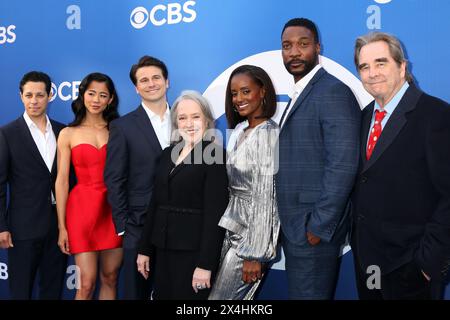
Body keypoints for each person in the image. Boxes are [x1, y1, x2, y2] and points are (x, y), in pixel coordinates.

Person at [351, 31, 450, 300]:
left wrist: (427, 263)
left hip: (412, 269)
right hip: (367, 264)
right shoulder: (363, 118)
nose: (372, 73)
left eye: (381, 63)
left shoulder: (436, 115)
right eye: (364, 66)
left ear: (402, 66)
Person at [276, 18, 361, 299]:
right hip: (296, 226)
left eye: (303, 44)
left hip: (311, 230)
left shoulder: (332, 91)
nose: (294, 53)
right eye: (287, 46)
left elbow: (343, 163)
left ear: (318, 48)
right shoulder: (302, 92)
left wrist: (318, 225)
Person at [136, 90, 229, 300]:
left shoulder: (214, 155)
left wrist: (205, 264)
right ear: (176, 123)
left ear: (206, 120)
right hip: (163, 249)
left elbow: (215, 215)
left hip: (193, 254)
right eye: (182, 118)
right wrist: (145, 249)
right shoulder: (168, 153)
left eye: (196, 117)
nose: (189, 124)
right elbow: (155, 204)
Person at [208, 65, 280, 300]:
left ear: (263, 91)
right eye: (234, 93)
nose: (238, 99)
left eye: (246, 91)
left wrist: (255, 254)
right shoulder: (240, 130)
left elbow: (265, 197)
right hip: (230, 226)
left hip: (250, 237)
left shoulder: (269, 134)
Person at [0, 71, 67, 299]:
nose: (34, 101)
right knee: (21, 290)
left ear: (50, 96)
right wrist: (1, 225)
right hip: (22, 228)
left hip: (57, 227)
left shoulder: (63, 131)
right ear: (21, 96)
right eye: (28, 95)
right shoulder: (7, 133)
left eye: (40, 95)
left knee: (53, 289)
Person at [55, 72, 122, 300]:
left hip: (113, 209)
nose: (96, 100)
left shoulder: (118, 130)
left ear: (110, 100)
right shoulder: (67, 133)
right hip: (81, 210)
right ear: (82, 95)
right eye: (91, 93)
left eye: (102, 95)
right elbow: (62, 181)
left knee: (110, 277)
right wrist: (62, 226)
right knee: (85, 284)